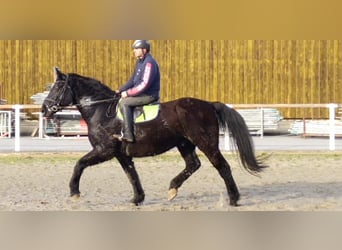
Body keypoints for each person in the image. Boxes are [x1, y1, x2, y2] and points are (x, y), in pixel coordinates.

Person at [113, 40, 161, 142]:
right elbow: (132, 80)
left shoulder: (149, 63)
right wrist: (120, 90)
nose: (134, 51)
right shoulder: (140, 62)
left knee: (124, 103)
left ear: (144, 50)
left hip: (148, 95)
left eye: (136, 49)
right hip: (141, 94)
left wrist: (128, 93)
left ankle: (128, 134)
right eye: (134, 49)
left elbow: (144, 84)